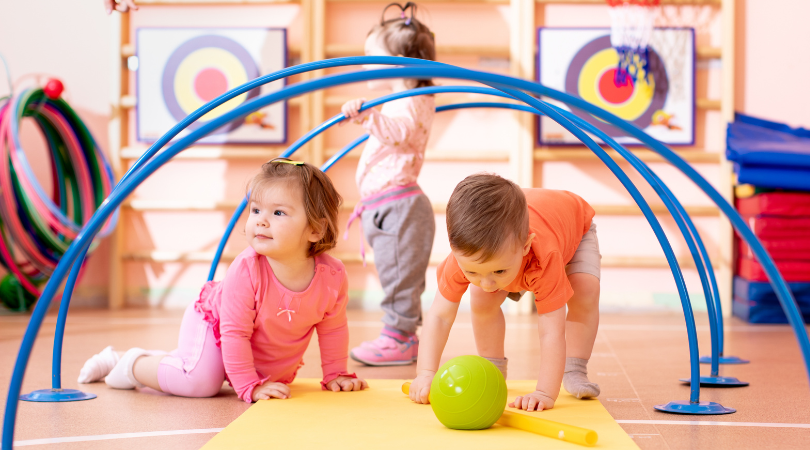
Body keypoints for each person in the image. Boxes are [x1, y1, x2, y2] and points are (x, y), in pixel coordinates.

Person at [78, 159, 368, 402]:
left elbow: (333, 330)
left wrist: (336, 374)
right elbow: (234, 334)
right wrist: (249, 387)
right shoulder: (247, 268)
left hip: (251, 349)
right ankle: (128, 362)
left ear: (315, 230)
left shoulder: (332, 276)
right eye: (256, 210)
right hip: (212, 324)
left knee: (242, 374)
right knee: (201, 384)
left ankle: (176, 360)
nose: (261, 221)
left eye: (278, 212)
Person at [408, 173, 602, 411]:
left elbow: (551, 331)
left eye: (498, 271)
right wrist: (426, 372)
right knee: (481, 298)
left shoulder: (544, 258)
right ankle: (493, 368)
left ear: (525, 247)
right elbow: (439, 317)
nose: (488, 283)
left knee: (585, 290)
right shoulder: (462, 260)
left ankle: (575, 369)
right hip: (527, 229)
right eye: (473, 272)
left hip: (574, 229)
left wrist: (544, 393)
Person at [341, 2, 437, 366]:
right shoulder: (400, 102)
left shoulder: (411, 101)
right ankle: (403, 334)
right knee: (395, 274)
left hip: (399, 207)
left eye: (371, 57)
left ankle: (399, 338)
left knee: (399, 278)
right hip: (385, 207)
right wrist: (371, 115)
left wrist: (367, 115)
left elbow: (399, 134)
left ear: (398, 61)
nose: (365, 65)